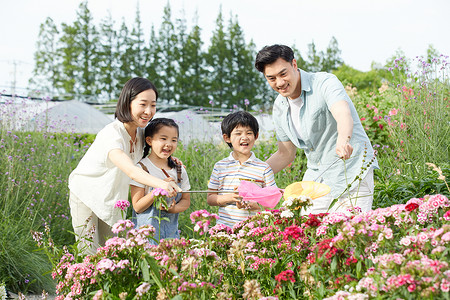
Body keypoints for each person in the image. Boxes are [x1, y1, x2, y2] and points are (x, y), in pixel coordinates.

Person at [254, 44, 379, 215]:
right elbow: (285, 154)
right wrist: (252, 175)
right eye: (272, 78)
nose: (280, 83)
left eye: (283, 74)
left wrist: (343, 140)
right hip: (316, 179)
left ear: (294, 65)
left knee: (349, 234)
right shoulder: (279, 107)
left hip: (350, 171)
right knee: (302, 229)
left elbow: (342, 113)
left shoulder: (324, 82)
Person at [68, 77, 181, 254]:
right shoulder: (112, 134)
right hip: (86, 195)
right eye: (143, 104)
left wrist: (172, 162)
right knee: (88, 255)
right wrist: (162, 185)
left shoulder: (142, 133)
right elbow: (131, 170)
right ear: (127, 102)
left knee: (112, 254)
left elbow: (157, 152)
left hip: (112, 200)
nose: (148, 111)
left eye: (153, 105)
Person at [207, 111, 277, 227]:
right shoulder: (220, 166)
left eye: (249, 133)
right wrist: (230, 197)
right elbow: (210, 198)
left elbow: (272, 201)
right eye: (238, 133)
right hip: (225, 227)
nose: (244, 137)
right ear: (227, 138)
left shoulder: (264, 168)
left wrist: (253, 204)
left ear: (256, 136)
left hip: (254, 229)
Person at [130, 118, 191, 244]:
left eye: (174, 140)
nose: (169, 144)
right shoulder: (141, 169)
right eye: (163, 139)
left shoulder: (179, 170)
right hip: (145, 240)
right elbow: (137, 207)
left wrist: (173, 209)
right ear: (149, 140)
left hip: (171, 237)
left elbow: (186, 200)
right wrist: (158, 189)